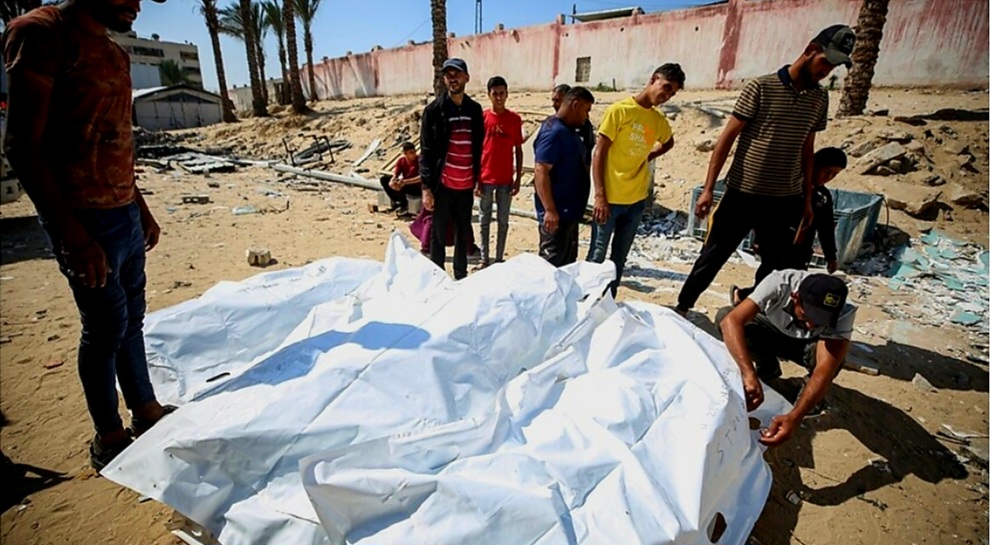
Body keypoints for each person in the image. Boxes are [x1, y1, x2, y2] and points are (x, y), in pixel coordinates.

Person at [3, 0, 174, 470]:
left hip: (123, 212)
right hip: (83, 217)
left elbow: (115, 140)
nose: (136, 5)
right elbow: (21, 146)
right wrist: (73, 237)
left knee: (131, 320)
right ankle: (109, 436)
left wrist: (140, 208)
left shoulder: (114, 52)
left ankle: (146, 410)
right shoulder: (40, 34)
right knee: (104, 328)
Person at [676, 25, 856, 317]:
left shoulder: (819, 99)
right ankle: (683, 308)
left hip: (785, 200)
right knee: (713, 256)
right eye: (826, 61)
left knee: (775, 266)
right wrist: (708, 189)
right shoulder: (761, 87)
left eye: (834, 66)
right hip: (742, 194)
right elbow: (726, 139)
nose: (827, 71)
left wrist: (806, 199)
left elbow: (807, 148)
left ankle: (752, 316)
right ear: (811, 49)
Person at [717, 271, 855, 446]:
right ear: (795, 297)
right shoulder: (779, 282)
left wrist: (795, 417)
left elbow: (824, 370)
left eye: (821, 321)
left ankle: (806, 398)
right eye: (807, 315)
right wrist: (748, 374)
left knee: (834, 360)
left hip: (806, 346)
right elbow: (731, 321)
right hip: (772, 330)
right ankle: (767, 368)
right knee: (725, 315)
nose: (811, 325)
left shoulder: (844, 311)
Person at [588, 63, 684, 296]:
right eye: (666, 87)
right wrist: (600, 196)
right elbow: (599, 153)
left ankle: (608, 302)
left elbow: (669, 142)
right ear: (653, 79)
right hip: (609, 200)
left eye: (672, 93)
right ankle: (585, 302)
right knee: (597, 257)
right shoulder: (620, 111)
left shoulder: (658, 119)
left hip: (636, 201)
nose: (667, 96)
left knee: (619, 258)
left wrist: (649, 155)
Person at [731, 147, 847, 304]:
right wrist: (759, 239)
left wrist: (830, 256)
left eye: (834, 174)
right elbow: (767, 215)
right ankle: (745, 299)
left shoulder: (823, 197)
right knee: (767, 280)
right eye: (827, 171)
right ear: (814, 165)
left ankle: (751, 300)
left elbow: (825, 228)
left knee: (793, 283)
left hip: (801, 250)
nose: (829, 177)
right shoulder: (790, 188)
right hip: (776, 244)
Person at [419, 58, 485, 280]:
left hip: (465, 185)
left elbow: (479, 147)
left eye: (457, 74)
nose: (453, 78)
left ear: (466, 77)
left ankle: (460, 275)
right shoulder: (433, 111)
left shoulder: (475, 110)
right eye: (448, 75)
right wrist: (426, 188)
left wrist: (479, 179)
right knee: (437, 234)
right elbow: (426, 151)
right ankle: (437, 277)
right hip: (443, 186)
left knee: (462, 233)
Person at [534, 86, 596, 267]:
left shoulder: (571, 130)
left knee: (568, 263)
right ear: (575, 105)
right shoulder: (554, 132)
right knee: (550, 265)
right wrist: (550, 210)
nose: (586, 115)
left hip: (570, 211)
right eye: (586, 110)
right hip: (557, 215)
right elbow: (541, 170)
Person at [476, 76, 523, 267]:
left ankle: (499, 258)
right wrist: (476, 179)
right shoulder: (482, 118)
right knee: (484, 219)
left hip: (505, 179)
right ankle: (484, 258)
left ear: (507, 94)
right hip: (485, 178)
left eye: (501, 93)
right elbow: (476, 149)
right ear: (489, 95)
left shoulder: (514, 119)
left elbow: (518, 150)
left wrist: (518, 179)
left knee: (503, 220)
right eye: (495, 93)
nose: (498, 97)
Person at [551, 83, 595, 159]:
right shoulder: (551, 127)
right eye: (553, 100)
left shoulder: (583, 124)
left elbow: (589, 148)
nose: (553, 105)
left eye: (557, 101)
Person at [379, 141, 422, 216]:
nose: (414, 154)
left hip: (416, 186)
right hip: (405, 183)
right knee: (384, 179)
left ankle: (404, 205)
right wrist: (392, 181)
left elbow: (421, 177)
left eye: (414, 152)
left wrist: (405, 182)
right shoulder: (401, 161)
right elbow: (396, 173)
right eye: (411, 152)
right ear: (405, 153)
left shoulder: (419, 161)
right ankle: (397, 201)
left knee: (401, 185)